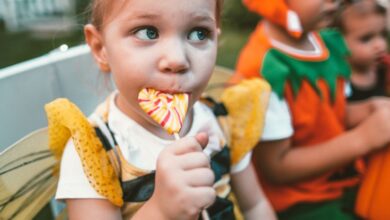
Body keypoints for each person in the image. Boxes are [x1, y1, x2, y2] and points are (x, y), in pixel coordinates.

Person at [44, 0, 277, 219]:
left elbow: (255, 206)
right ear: (100, 47)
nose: (177, 59)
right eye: (148, 32)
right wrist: (161, 211)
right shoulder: (94, 154)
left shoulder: (220, 120)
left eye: (198, 33)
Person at [231, 0, 390, 219]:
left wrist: (369, 109)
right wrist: (363, 139)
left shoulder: (323, 42)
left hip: (343, 181)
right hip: (303, 203)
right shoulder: (265, 69)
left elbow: (330, 113)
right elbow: (277, 168)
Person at [335, 0, 389, 101]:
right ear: (338, 43)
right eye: (366, 39)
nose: (380, 45)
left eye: (383, 34)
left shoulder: (385, 69)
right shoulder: (338, 78)